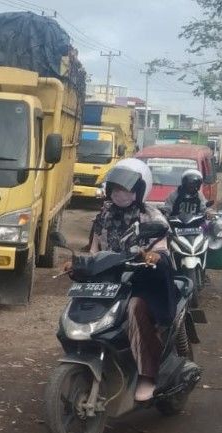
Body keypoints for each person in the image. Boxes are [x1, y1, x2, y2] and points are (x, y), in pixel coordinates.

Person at [66, 159, 175, 402]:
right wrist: (77, 263)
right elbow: (94, 250)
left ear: (138, 191)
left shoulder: (151, 216)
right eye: (115, 189)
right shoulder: (104, 214)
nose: (119, 195)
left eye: (125, 190)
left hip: (145, 280)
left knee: (135, 307)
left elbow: (162, 250)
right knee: (83, 304)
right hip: (111, 280)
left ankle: (148, 374)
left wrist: (153, 256)